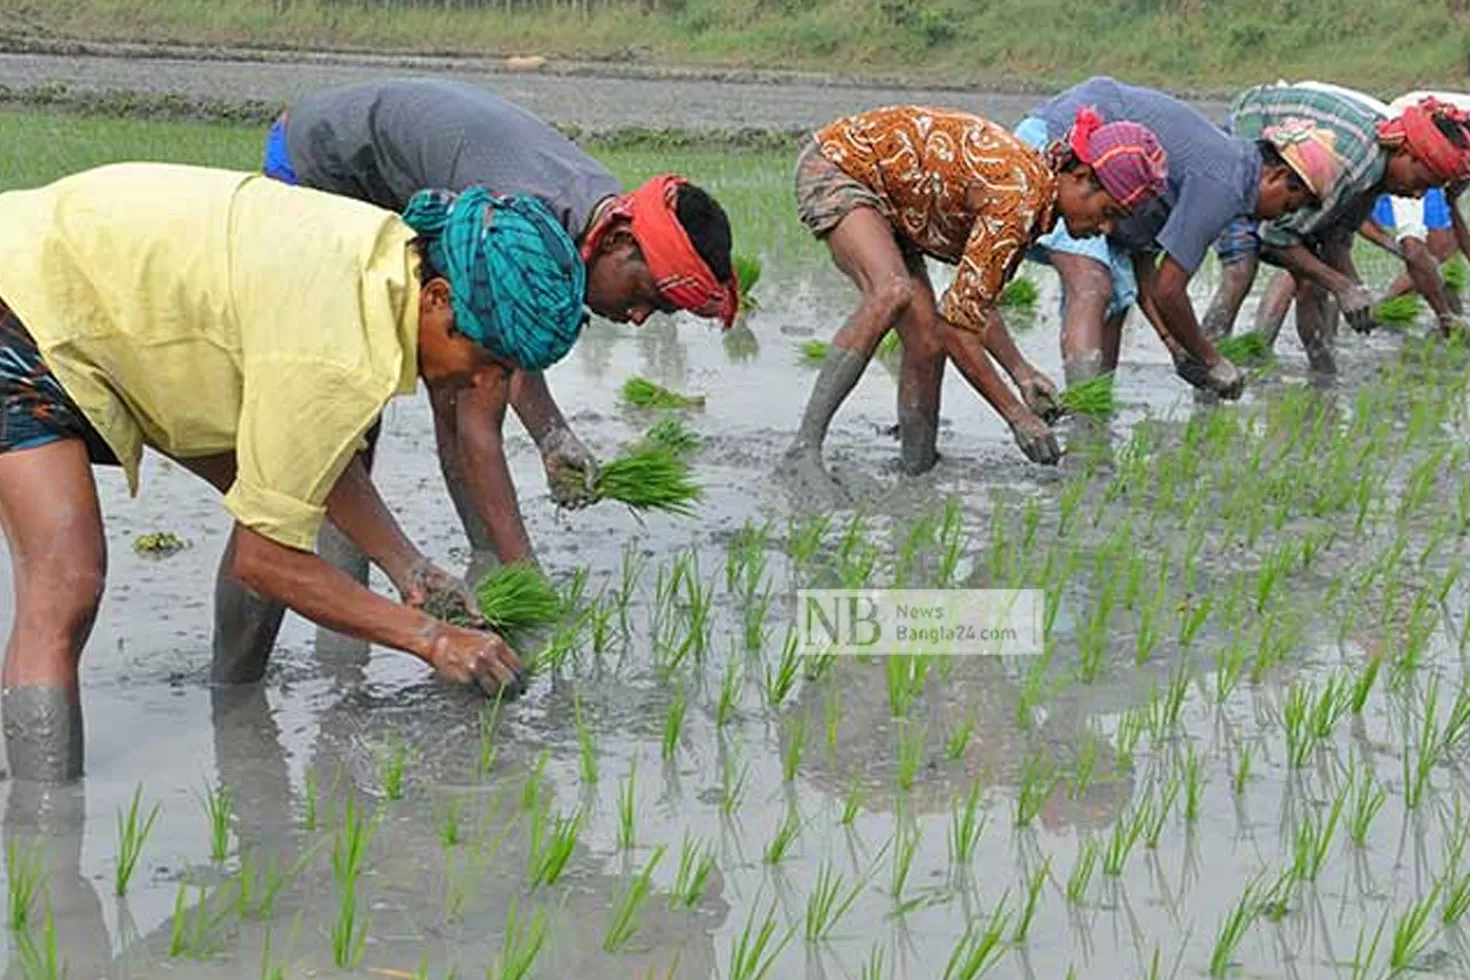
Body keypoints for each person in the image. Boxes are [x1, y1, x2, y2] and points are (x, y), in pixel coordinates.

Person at [0, 162, 590, 781]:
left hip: (115, 310)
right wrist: (431, 639)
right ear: (439, 299)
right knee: (66, 581)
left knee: (269, 495)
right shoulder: (335, 347)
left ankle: (230, 712)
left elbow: (309, 462)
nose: (484, 382)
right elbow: (266, 560)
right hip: (27, 293)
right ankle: (48, 836)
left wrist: (410, 569)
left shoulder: (379, 270)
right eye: (488, 358)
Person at [245, 77, 738, 672]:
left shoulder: (599, 217)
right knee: (346, 407)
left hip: (402, 176)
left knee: (454, 375)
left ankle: (462, 566)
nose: (635, 318)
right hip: (326, 164)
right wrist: (527, 576)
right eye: (646, 297)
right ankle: (341, 625)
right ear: (623, 245)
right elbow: (478, 403)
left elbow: (505, 355)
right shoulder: (524, 214)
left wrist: (553, 436)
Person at [784, 104, 1168, 494]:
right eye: (1107, 212)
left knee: (927, 342)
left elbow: (972, 306)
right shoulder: (1019, 198)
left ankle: (917, 470)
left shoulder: (1036, 199)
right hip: (840, 167)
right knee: (891, 291)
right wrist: (1017, 417)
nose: (1105, 229)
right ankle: (803, 450)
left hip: (897, 206)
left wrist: (1023, 373)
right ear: (1082, 177)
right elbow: (959, 328)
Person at [1016, 76, 1332, 395]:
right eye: (1290, 204)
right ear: (1277, 177)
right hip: (1063, 146)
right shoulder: (1225, 185)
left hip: (1095, 163)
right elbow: (1170, 290)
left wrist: (1176, 348)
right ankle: (1082, 427)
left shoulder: (1224, 170)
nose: (1282, 215)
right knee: (1091, 283)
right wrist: (1210, 359)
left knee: (1117, 296)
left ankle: (1093, 409)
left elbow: (1145, 266)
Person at [1201, 82, 1470, 371]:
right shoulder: (1355, 166)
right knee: (1242, 265)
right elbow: (1274, 238)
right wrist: (1343, 286)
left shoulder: (1378, 175)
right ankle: (1206, 369)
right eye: (1421, 183)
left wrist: (1356, 290)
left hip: (1306, 159)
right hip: (1253, 130)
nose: (1418, 194)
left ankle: (1323, 375)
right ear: (1407, 155)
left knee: (1314, 279)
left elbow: (1337, 241)